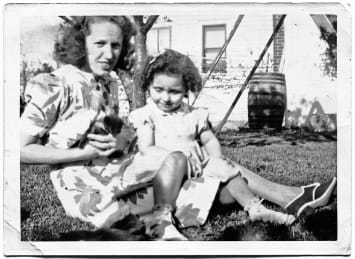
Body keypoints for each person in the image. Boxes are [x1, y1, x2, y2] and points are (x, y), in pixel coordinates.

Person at [127, 49, 337, 232]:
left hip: (194, 177)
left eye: (174, 92)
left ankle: (256, 208)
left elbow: (209, 140)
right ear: (148, 87)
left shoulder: (193, 115)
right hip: (163, 183)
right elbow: (147, 151)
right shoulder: (147, 115)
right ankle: (292, 197)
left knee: (228, 173)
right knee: (220, 176)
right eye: (158, 90)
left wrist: (216, 161)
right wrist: (179, 159)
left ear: (186, 90)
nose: (165, 97)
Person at [20, 16, 188, 241]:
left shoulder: (108, 82)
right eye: (100, 44)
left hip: (119, 169)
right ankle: (159, 222)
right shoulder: (54, 85)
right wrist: (84, 153)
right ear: (79, 42)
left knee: (189, 170)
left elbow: (112, 135)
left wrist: (121, 143)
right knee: (183, 191)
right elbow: (20, 149)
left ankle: (161, 213)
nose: (109, 54)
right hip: (84, 185)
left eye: (115, 45)